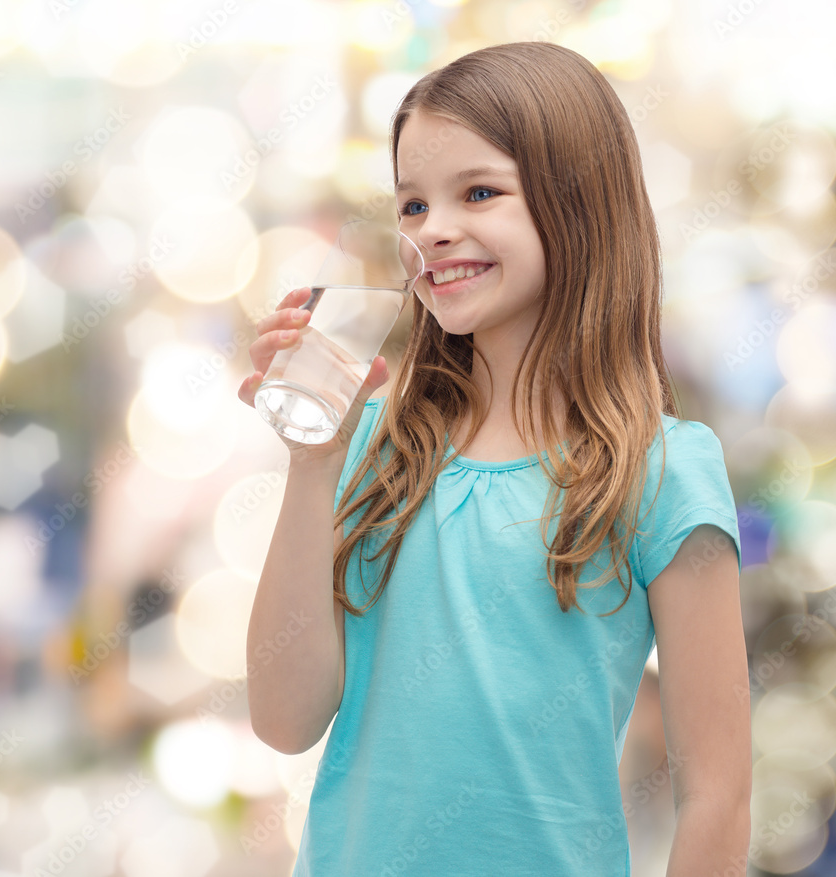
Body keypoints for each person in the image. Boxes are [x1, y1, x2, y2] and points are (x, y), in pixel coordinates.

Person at [238, 42, 751, 876]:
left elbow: (718, 799)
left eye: (478, 192)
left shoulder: (663, 472)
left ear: (579, 203)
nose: (433, 229)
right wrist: (310, 465)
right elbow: (285, 719)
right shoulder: (367, 445)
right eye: (411, 206)